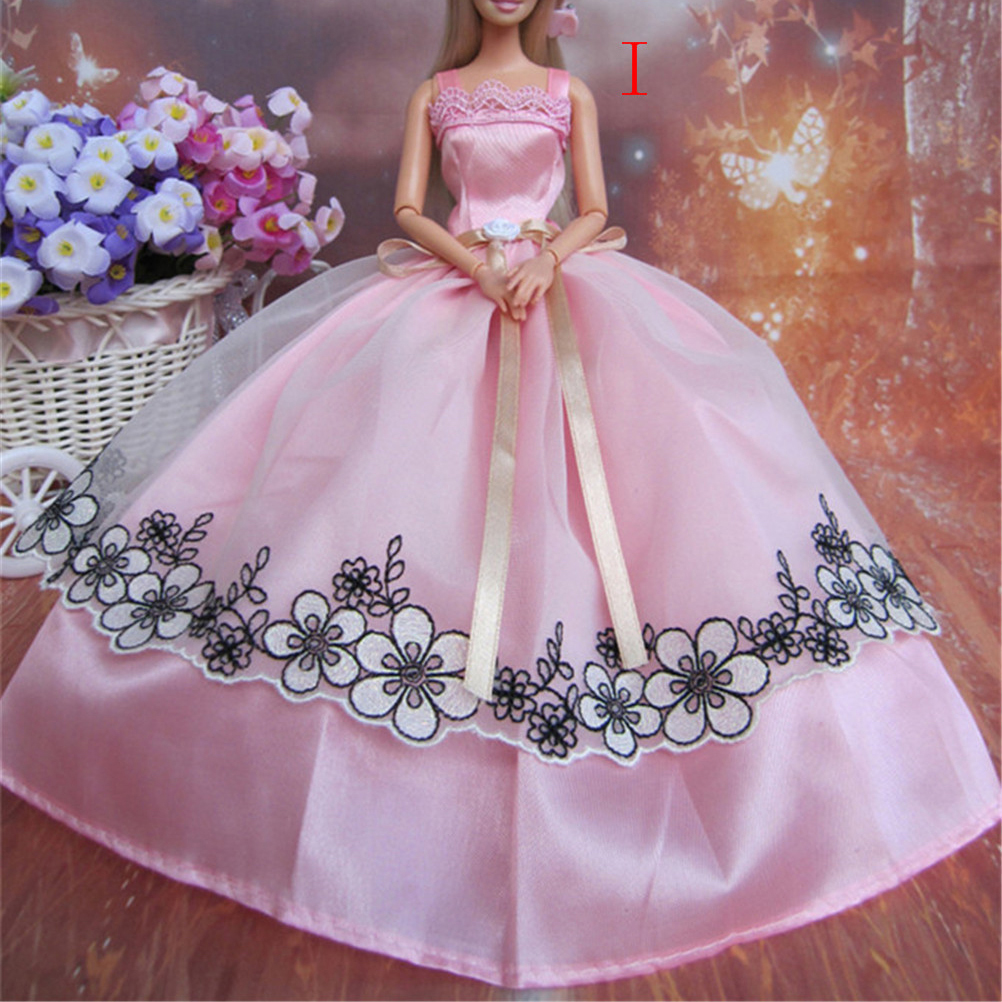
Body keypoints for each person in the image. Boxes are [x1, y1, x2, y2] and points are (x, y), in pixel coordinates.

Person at [2, 0, 998, 988]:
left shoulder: (568, 90)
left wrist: (550, 258)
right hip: (454, 287)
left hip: (562, 287)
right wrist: (474, 262)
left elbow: (596, 208)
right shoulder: (437, 93)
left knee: (648, 479)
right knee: (379, 488)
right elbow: (408, 210)